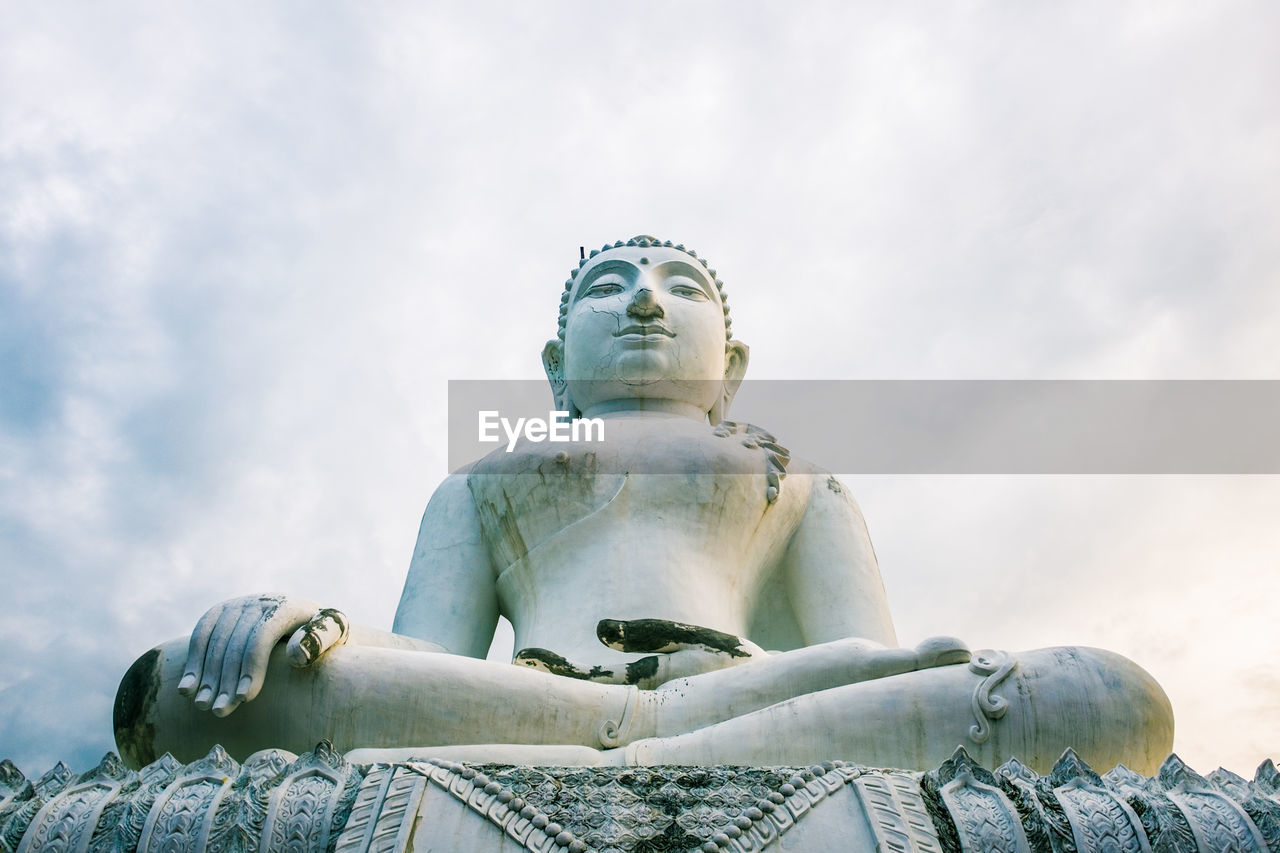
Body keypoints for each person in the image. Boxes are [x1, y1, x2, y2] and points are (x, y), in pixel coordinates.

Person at [114, 236, 1173, 774]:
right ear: (552, 360)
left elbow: (875, 665)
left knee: (1104, 696)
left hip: (754, 691)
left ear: (733, 360)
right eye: (607, 285)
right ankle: (642, 740)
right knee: (181, 689)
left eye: (678, 286)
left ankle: (626, 747)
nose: (642, 300)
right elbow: (432, 657)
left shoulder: (796, 476)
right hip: (540, 699)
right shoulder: (487, 478)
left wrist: (841, 677)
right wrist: (311, 624)